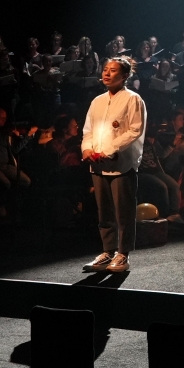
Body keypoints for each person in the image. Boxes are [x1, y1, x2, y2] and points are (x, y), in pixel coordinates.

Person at [81, 56, 146, 274]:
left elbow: (134, 130)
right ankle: (108, 251)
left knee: (123, 212)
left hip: (121, 164)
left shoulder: (133, 99)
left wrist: (109, 150)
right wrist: (87, 149)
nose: (107, 73)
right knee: (104, 212)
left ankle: (123, 254)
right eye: (105, 69)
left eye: (113, 70)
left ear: (125, 75)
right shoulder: (97, 101)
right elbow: (88, 130)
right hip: (97, 164)